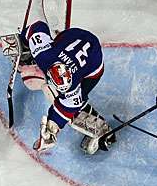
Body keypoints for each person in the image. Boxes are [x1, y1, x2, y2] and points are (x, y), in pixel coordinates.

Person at [16, 20, 115, 154]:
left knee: (75, 106)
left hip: (92, 68)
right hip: (74, 36)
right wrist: (23, 40)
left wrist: (51, 129)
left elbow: (65, 110)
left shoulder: (71, 86)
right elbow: (36, 27)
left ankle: (101, 129)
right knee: (32, 78)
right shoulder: (44, 55)